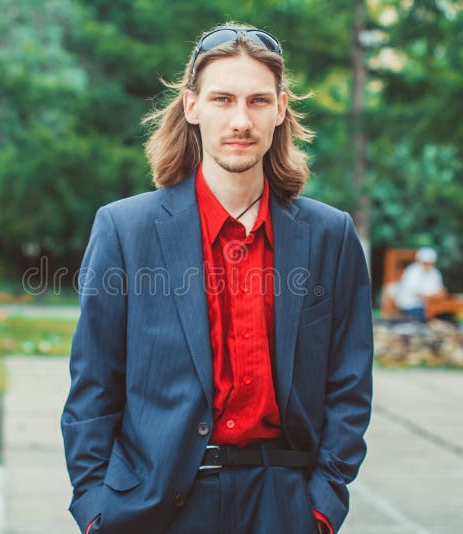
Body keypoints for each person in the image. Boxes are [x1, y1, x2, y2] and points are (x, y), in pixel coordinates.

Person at [61, 23, 373, 534]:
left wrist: (322, 505)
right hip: (155, 506)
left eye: (257, 101)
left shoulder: (330, 235)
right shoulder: (124, 229)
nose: (240, 120)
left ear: (280, 109)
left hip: (285, 504)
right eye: (223, 99)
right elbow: (93, 386)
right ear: (192, 106)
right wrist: (95, 509)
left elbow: (349, 383)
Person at [395, 246, 446, 322]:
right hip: (412, 305)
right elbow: (415, 293)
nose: (428, 265)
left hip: (431, 305)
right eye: (426, 262)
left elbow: (440, 291)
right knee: (420, 318)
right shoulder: (412, 272)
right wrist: (432, 296)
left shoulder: (435, 273)